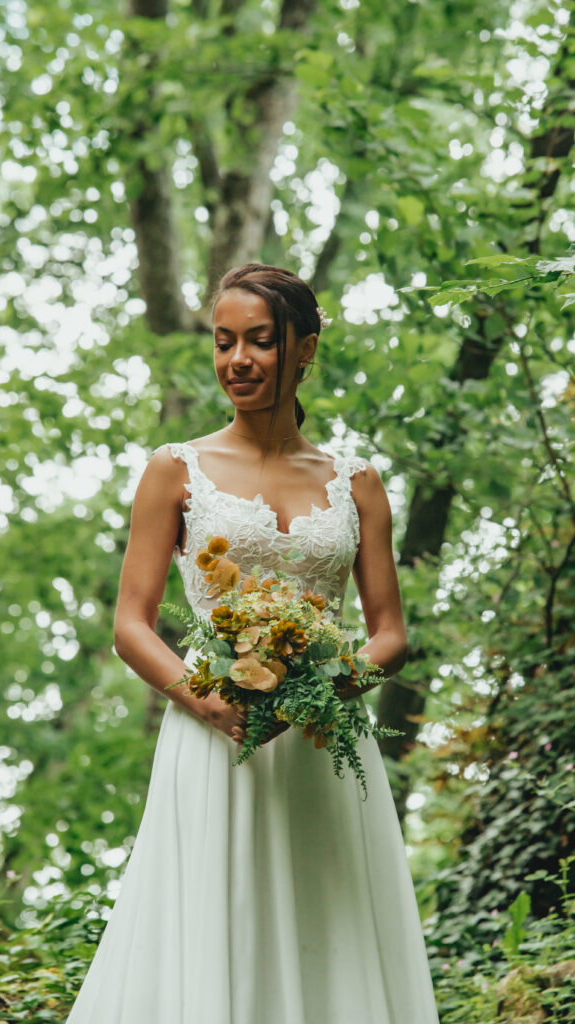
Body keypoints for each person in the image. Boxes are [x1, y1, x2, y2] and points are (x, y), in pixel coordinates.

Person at [64, 264, 440, 1023]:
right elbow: (130, 625)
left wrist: (327, 686)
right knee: (214, 915)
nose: (236, 359)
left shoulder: (357, 481)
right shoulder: (175, 471)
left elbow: (391, 633)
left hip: (321, 737)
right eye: (223, 341)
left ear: (303, 349)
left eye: (259, 342)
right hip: (213, 732)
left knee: (327, 924)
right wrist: (200, 697)